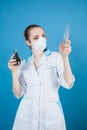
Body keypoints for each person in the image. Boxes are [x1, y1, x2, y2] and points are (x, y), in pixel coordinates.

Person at [8, 24, 75, 130]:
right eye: (36, 37)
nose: (41, 39)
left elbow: (68, 83)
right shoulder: (24, 64)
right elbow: (17, 94)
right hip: (26, 115)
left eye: (43, 36)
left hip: (50, 116)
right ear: (28, 42)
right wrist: (14, 72)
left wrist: (65, 57)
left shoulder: (57, 57)